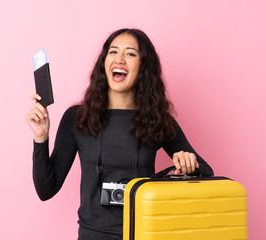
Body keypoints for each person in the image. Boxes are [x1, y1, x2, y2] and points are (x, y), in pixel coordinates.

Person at [26, 28, 214, 240]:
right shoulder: (76, 118)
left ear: (144, 67)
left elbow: (207, 171)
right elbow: (46, 190)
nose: (120, 59)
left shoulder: (157, 121)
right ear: (104, 62)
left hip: (144, 233)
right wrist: (40, 139)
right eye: (113, 52)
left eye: (131, 54)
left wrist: (189, 166)